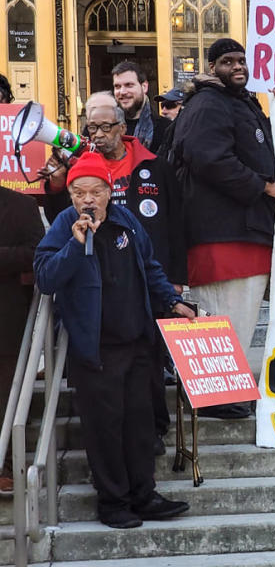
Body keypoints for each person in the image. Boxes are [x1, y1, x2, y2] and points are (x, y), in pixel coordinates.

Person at [34, 152, 195, 528]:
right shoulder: (63, 225)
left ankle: (144, 495)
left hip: (137, 342)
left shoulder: (127, 222)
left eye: (95, 191)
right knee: (105, 429)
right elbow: (45, 277)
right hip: (95, 349)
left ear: (110, 191)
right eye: (78, 192)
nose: (87, 199)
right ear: (71, 195)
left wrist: (172, 301)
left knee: (139, 425)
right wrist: (74, 245)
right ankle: (113, 503)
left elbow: (151, 267)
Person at [169, 37, 275, 420]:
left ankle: (221, 392)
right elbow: (209, 158)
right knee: (225, 316)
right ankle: (214, 395)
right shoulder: (208, 104)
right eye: (227, 61)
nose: (237, 66)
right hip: (223, 232)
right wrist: (261, 186)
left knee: (235, 315)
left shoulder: (240, 103)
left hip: (241, 231)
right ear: (211, 67)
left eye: (241, 60)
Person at [81, 91, 186, 450]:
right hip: (100, 282)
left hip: (148, 279)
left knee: (150, 359)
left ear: (122, 127)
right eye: (90, 127)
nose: (96, 134)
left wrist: (175, 282)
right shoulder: (82, 166)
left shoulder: (154, 165)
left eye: (104, 127)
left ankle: (155, 428)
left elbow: (175, 222)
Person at [0, 184, 42, 494]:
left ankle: (6, 467)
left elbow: (36, 253)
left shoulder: (21, 205)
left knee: (6, 396)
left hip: (8, 319)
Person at [111, 61, 172, 152]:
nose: (122, 92)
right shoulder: (102, 127)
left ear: (144, 87)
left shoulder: (165, 129)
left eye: (129, 85)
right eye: (117, 86)